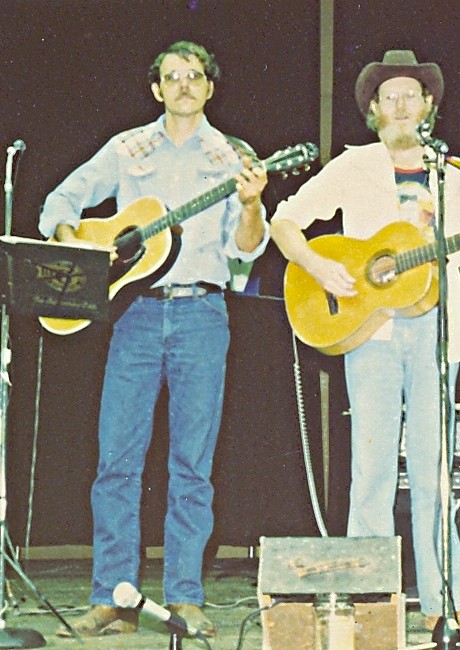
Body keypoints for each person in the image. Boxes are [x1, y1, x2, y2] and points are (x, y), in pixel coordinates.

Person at [38, 40, 270, 638]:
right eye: (172, 76)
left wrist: (251, 204)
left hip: (202, 315)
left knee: (192, 464)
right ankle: (111, 598)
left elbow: (246, 250)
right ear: (156, 88)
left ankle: (184, 596)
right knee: (116, 459)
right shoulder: (127, 148)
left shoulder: (231, 157)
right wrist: (75, 237)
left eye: (194, 75)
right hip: (135, 315)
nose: (184, 85)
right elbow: (60, 201)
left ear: (210, 87)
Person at [270, 50, 460, 636]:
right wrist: (319, 266)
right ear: (373, 110)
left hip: (434, 333)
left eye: (411, 95)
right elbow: (285, 222)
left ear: (428, 107)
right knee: (369, 467)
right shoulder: (353, 167)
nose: (400, 106)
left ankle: (447, 598)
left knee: (433, 469)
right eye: (389, 97)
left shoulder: (455, 175)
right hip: (370, 333)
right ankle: (367, 596)